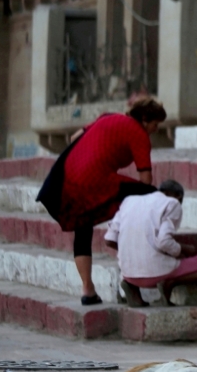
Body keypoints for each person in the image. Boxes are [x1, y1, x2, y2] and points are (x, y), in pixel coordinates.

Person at [36, 97, 166, 304]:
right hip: (94, 179)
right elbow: (146, 180)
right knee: (149, 197)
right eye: (155, 124)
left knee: (83, 225)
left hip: (69, 175)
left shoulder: (108, 117)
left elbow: (74, 137)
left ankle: (88, 290)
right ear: (144, 118)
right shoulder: (139, 134)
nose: (156, 129)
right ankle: (133, 272)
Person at [105, 179, 197, 307]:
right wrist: (185, 249)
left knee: (146, 263)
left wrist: (133, 253)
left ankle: (133, 288)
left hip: (128, 273)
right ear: (179, 196)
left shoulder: (129, 201)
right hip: (157, 274)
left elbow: (109, 240)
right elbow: (163, 242)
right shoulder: (172, 203)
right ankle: (171, 282)